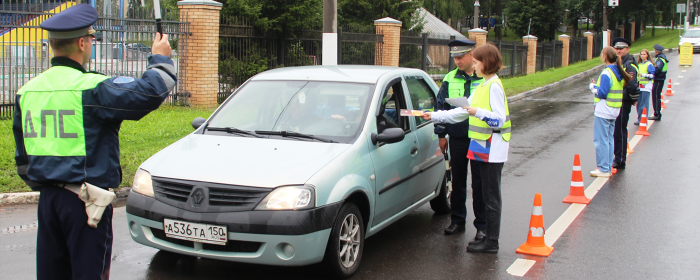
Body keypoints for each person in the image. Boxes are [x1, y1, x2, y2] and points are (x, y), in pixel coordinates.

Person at [11, 4, 176, 280]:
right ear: (81, 42)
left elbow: (22, 160)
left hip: (48, 203)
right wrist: (160, 58)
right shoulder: (91, 88)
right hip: (86, 204)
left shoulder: (27, 91)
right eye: (91, 39)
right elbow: (149, 93)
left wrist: (52, 183)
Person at [423, 44, 511, 253]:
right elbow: (459, 113)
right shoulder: (483, 86)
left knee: (489, 196)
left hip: (492, 147)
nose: (474, 64)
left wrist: (477, 111)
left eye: (477, 61)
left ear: (485, 62)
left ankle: (490, 241)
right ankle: (487, 238)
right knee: (480, 191)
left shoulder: (493, 86)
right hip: (480, 145)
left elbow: (498, 120)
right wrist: (433, 116)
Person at [433, 39, 486, 242]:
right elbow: (441, 108)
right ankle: (457, 221)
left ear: (471, 55)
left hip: (479, 137)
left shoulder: (483, 78)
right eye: (454, 58)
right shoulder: (449, 78)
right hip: (457, 138)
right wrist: (441, 135)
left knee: (479, 183)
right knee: (457, 181)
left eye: (460, 57)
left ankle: (481, 226)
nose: (457, 61)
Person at [588, 46, 632, 177]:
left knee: (600, 140)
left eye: (602, 54)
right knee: (609, 139)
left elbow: (602, 92)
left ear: (605, 57)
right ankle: (606, 166)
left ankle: (603, 168)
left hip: (604, 110)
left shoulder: (607, 72)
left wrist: (593, 87)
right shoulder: (618, 71)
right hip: (614, 109)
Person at [611, 38, 639, 170]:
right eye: (617, 48)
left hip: (624, 101)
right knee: (616, 130)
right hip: (618, 100)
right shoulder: (619, 63)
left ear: (627, 49)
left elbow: (632, 84)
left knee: (620, 130)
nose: (619, 50)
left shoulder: (629, 65)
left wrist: (632, 98)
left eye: (621, 48)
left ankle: (620, 159)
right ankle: (618, 156)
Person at [634, 49, 655, 125]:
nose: (642, 56)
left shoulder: (649, 64)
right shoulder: (639, 64)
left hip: (646, 86)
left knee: (644, 104)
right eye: (641, 54)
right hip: (639, 86)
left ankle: (643, 120)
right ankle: (639, 119)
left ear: (647, 55)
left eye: (644, 54)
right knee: (638, 104)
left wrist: (643, 75)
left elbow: (652, 75)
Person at [649, 44, 668, 121]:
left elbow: (657, 70)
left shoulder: (660, 59)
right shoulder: (661, 58)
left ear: (656, 51)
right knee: (656, 96)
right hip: (660, 79)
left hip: (659, 79)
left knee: (656, 96)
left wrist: (652, 71)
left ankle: (657, 114)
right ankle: (657, 113)